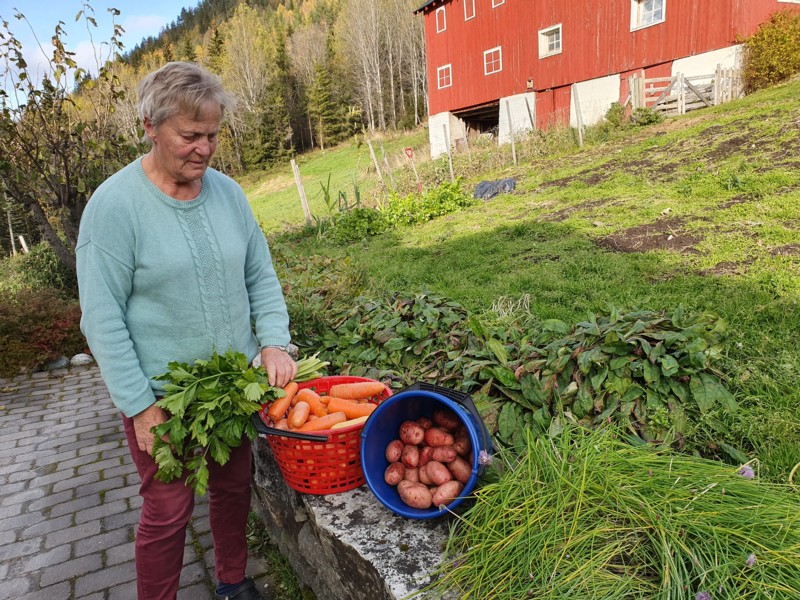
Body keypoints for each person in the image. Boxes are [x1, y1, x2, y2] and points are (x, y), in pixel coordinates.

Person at [76, 61, 296, 600]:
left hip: (230, 385)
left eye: (213, 135)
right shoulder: (114, 207)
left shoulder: (228, 195)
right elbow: (101, 318)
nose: (203, 149)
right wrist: (138, 405)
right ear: (151, 126)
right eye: (190, 135)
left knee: (232, 488)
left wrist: (271, 340)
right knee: (169, 510)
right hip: (163, 397)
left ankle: (231, 581)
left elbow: (259, 274)